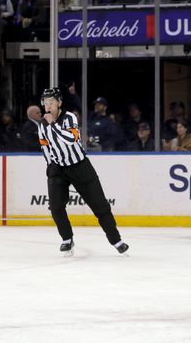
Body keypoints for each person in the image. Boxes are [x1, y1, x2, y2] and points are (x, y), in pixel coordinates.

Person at [37, 87, 128, 256]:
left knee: (100, 206)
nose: (47, 106)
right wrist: (50, 166)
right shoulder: (42, 124)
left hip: (79, 166)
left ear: (59, 103)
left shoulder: (69, 117)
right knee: (56, 207)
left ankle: (116, 240)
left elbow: (71, 139)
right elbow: (45, 147)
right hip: (58, 168)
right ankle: (67, 239)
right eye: (45, 102)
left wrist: (53, 124)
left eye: (51, 102)